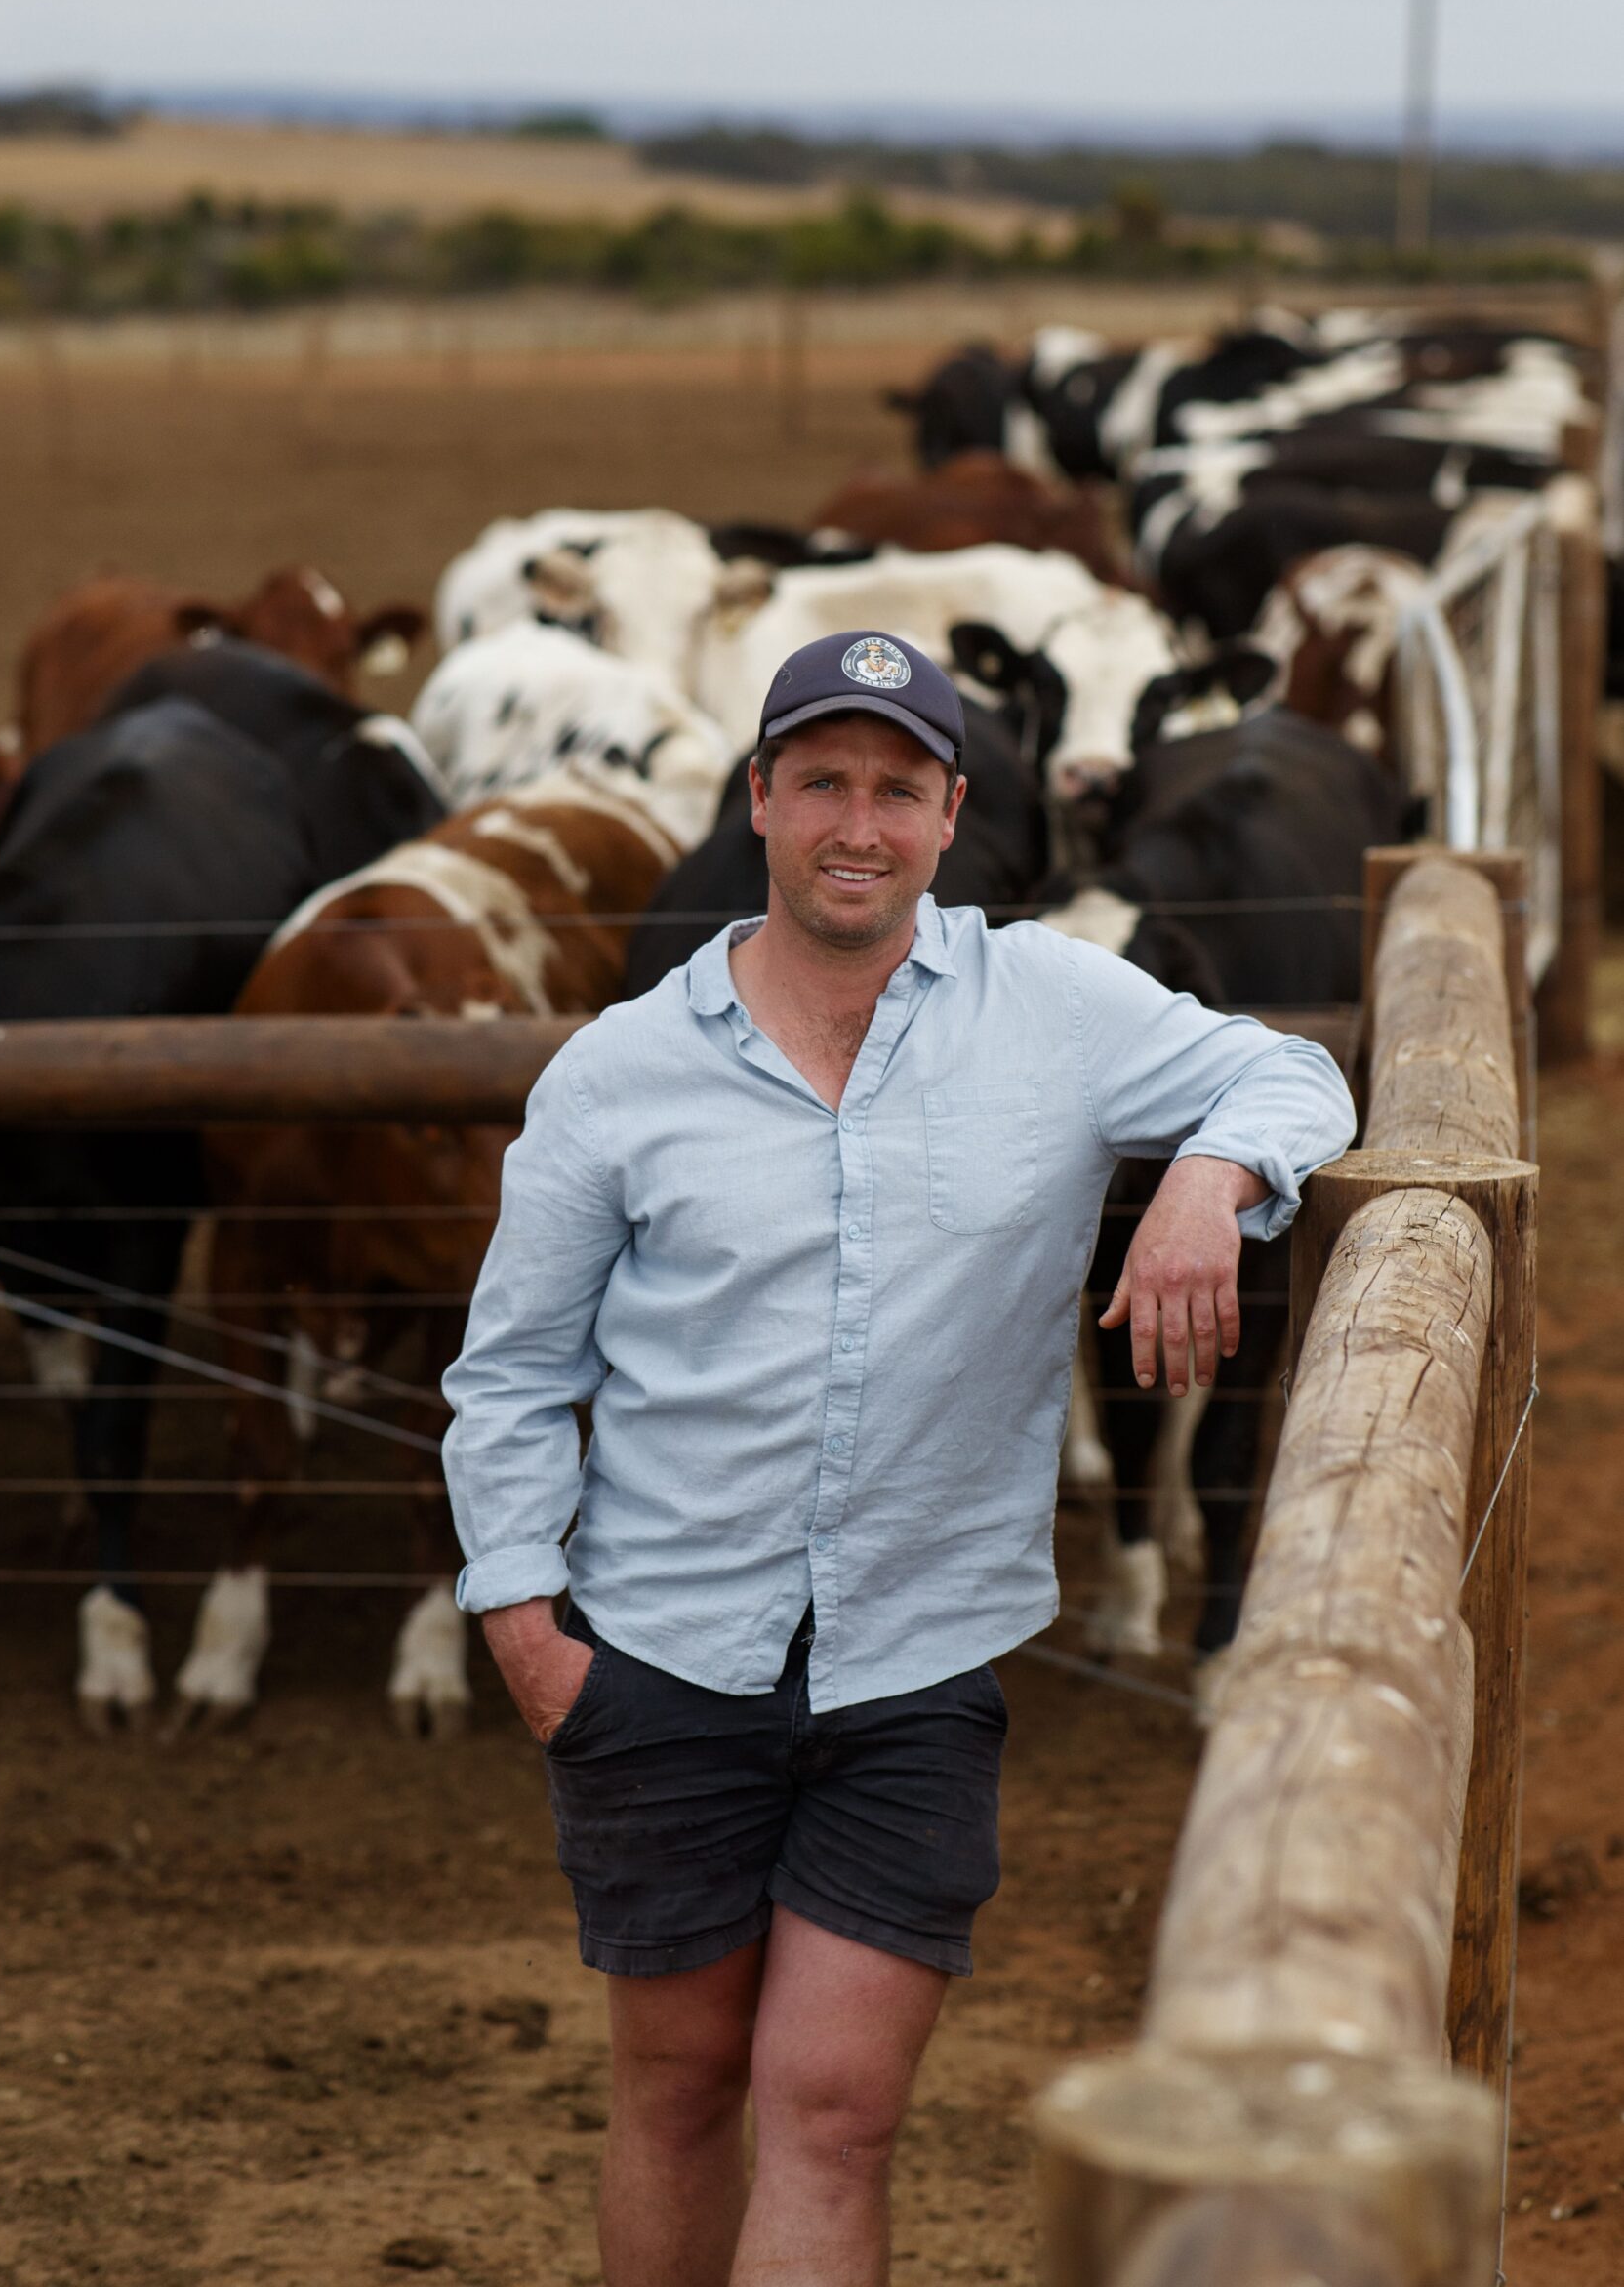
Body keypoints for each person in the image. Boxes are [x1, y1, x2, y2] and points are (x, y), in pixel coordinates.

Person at [441, 630, 1356, 2287]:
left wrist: (1207, 1182)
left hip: (917, 1667)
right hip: (655, 1661)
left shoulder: (1055, 1008)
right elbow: (509, 1375)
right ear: (761, 804)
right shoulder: (621, 1073)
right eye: (821, 785)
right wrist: (523, 1622)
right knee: (677, 2086)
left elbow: (1292, 1070)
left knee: (839, 2109)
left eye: (897, 790)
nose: (856, 825)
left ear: (949, 820)